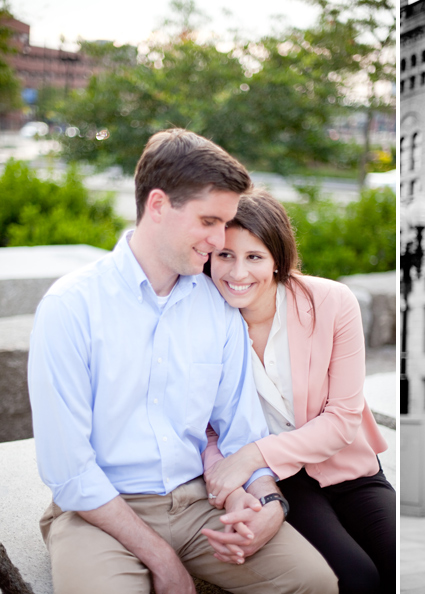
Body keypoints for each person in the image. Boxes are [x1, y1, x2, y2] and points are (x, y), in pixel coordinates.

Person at [27, 129, 337, 594]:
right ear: (157, 206)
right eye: (209, 221)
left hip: (198, 503)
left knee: (315, 582)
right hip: (98, 513)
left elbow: (240, 431)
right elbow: (70, 471)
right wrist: (164, 560)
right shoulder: (70, 307)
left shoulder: (217, 307)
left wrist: (269, 502)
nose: (220, 239)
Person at [200, 190, 396, 594]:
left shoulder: (332, 302)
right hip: (282, 480)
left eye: (254, 256)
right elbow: (203, 428)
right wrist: (236, 480)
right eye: (225, 255)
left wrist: (251, 456)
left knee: (397, 565)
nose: (237, 273)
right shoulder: (201, 323)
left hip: (350, 466)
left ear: (277, 260)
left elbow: (342, 420)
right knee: (356, 579)